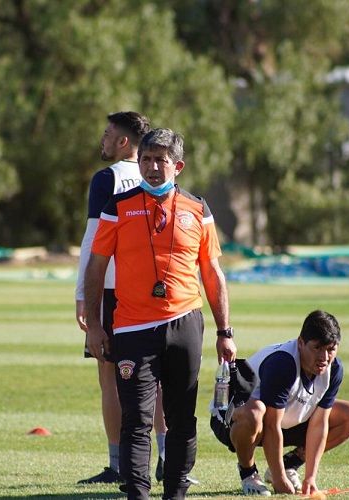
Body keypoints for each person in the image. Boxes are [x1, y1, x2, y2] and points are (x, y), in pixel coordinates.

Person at [84, 128, 237, 499]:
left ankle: (176, 492)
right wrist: (93, 326)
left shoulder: (198, 209)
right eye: (147, 160)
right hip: (133, 328)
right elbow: (96, 267)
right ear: (139, 163)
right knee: (136, 420)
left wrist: (225, 331)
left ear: (178, 166)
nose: (153, 167)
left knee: (182, 418)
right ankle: (137, 494)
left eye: (161, 160)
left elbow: (212, 274)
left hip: (185, 324)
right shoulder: (116, 207)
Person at [75, 111, 171, 484]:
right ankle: (166, 455)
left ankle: (118, 464)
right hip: (152, 289)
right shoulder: (161, 177)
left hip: (112, 289)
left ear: (123, 142)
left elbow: (93, 240)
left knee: (110, 377)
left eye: (107, 134)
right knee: (158, 377)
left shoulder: (107, 179)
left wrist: (83, 295)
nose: (102, 139)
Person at [211, 310, 349, 496]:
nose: (324, 358)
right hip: (233, 420)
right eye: (317, 348)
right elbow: (271, 424)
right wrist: (279, 479)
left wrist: (310, 478)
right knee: (255, 411)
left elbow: (319, 424)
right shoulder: (283, 363)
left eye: (330, 349)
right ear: (301, 343)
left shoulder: (335, 369)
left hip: (284, 419)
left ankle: (290, 464)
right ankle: (248, 473)